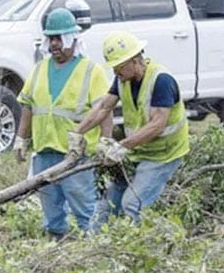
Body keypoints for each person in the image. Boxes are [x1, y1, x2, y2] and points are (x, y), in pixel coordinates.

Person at [71, 30, 189, 228]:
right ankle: (95, 249)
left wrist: (122, 146)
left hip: (163, 155)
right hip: (137, 152)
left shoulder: (161, 81)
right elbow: (103, 107)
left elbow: (157, 124)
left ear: (134, 60)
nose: (116, 72)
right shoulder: (121, 80)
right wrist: (77, 132)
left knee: (133, 204)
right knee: (107, 205)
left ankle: (145, 247)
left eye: (119, 67)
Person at [13, 8, 111, 240]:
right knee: (51, 206)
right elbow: (28, 106)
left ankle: (92, 245)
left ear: (72, 39)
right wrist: (21, 139)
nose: (55, 44)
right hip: (45, 151)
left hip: (76, 154)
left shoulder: (90, 70)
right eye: (51, 38)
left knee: (83, 205)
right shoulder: (39, 70)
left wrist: (106, 141)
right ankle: (57, 243)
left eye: (60, 38)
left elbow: (105, 110)